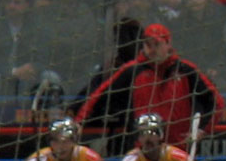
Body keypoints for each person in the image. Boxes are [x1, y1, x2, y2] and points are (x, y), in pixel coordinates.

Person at [78, 22, 218, 150]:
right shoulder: (132, 70)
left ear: (168, 44)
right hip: (143, 149)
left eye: (156, 44)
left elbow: (215, 101)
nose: (152, 49)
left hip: (178, 148)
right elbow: (100, 95)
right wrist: (79, 121)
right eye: (147, 44)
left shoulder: (186, 70)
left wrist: (202, 130)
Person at [114, 111, 203, 161]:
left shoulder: (181, 159)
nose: (147, 138)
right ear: (138, 137)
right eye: (142, 134)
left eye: (153, 132)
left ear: (161, 135)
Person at [17, 116, 107, 161]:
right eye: (56, 141)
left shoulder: (91, 160)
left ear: (74, 141)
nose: (61, 146)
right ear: (49, 142)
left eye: (66, 141)